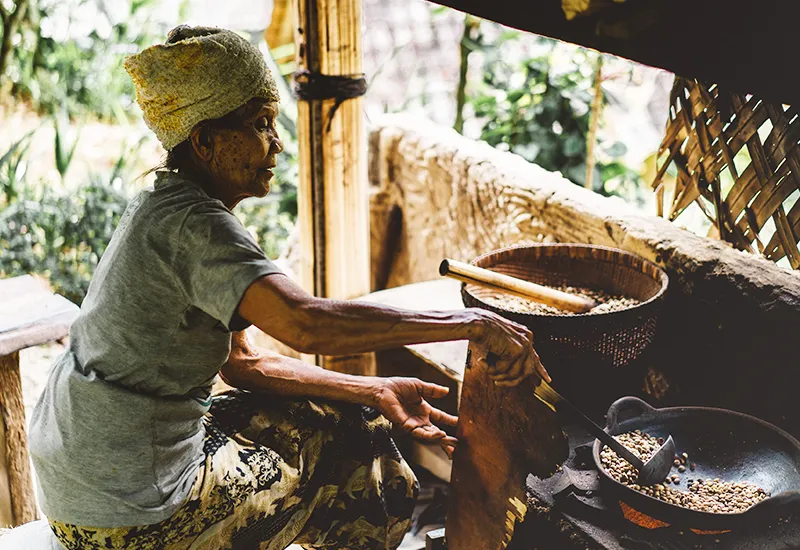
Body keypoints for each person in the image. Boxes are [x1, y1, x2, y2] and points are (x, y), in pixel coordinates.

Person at [28, 25, 548, 550]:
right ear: (205, 141)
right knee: (363, 465)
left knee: (349, 418)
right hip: (128, 513)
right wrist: (472, 324)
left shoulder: (161, 204)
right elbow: (305, 322)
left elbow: (244, 363)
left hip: (81, 478)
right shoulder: (198, 227)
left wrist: (375, 389)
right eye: (260, 124)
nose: (276, 142)